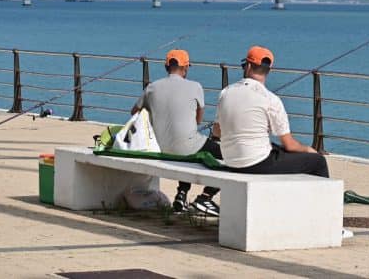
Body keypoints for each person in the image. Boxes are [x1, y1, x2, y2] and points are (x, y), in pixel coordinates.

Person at [212, 46, 329, 178]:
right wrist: (308, 150)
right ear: (269, 70)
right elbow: (289, 145)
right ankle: (328, 199)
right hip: (257, 163)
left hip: (230, 160)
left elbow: (216, 132)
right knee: (319, 162)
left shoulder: (225, 92)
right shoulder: (271, 99)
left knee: (277, 150)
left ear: (248, 66)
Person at [132, 49, 222, 216]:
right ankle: (205, 197)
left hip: (159, 146)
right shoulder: (195, 86)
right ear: (186, 67)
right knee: (228, 155)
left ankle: (182, 194)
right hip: (186, 146)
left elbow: (134, 113)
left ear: (167, 66)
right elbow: (198, 120)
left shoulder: (152, 87)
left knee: (186, 144)